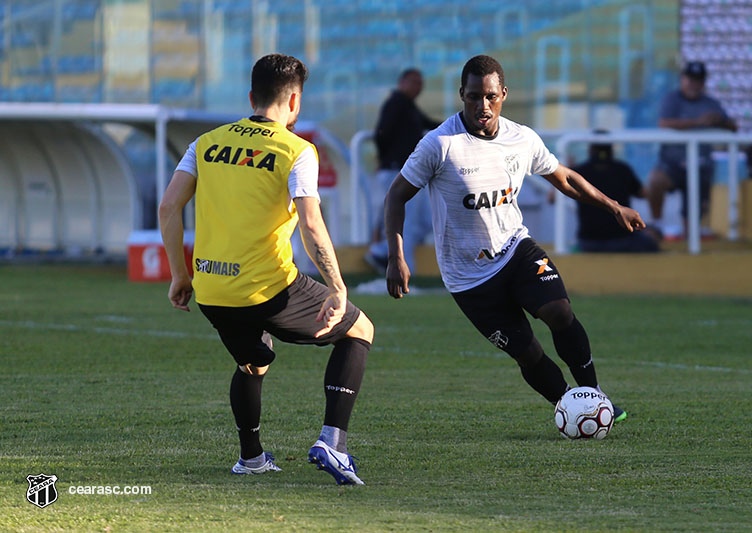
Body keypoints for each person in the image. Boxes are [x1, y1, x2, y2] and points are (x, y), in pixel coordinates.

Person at [384, 55, 646, 422]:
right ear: (462, 95)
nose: (483, 106)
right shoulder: (440, 144)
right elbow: (396, 196)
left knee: (560, 311)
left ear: (503, 94)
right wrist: (396, 256)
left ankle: (594, 396)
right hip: (468, 277)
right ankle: (570, 406)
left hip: (515, 250)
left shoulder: (521, 139)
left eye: (491, 96)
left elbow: (564, 178)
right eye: (474, 97)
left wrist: (613, 206)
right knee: (527, 352)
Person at [158, 54, 374, 486]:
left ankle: (251, 459)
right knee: (359, 330)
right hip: (267, 288)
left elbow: (168, 207)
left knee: (253, 363)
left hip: (212, 290)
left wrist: (180, 275)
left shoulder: (205, 143)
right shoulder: (297, 150)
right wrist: (337, 286)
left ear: (251, 97)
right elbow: (311, 224)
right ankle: (333, 442)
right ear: (294, 101)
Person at [647, 61, 737, 237]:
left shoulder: (711, 103)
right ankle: (657, 225)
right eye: (690, 79)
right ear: (682, 79)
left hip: (700, 167)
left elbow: (733, 127)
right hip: (672, 165)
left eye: (698, 80)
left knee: (692, 232)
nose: (693, 85)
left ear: (703, 83)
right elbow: (664, 123)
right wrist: (698, 122)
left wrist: (719, 121)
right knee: (656, 181)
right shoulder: (672, 99)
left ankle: (690, 236)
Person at [365, 68, 439, 274]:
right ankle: (401, 268)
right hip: (397, 171)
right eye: (414, 81)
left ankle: (382, 253)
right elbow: (381, 133)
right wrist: (385, 158)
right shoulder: (396, 103)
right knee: (405, 221)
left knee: (424, 221)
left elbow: (430, 124)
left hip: (407, 171)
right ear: (402, 82)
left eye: (420, 82)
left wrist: (459, 125)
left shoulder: (408, 107)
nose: (418, 86)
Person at [573, 132, 660, 253]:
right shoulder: (623, 170)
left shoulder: (579, 172)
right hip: (623, 240)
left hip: (588, 242)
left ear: (590, 149)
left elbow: (552, 197)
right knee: (653, 236)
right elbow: (643, 194)